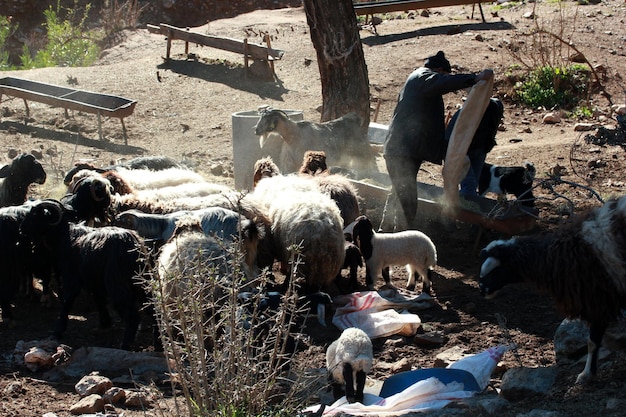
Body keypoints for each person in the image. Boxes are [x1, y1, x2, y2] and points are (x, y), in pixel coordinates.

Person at [382, 50, 493, 229]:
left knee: (400, 191)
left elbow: (424, 125)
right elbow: (443, 83)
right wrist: (475, 78)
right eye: (444, 75)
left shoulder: (416, 81)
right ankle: (402, 237)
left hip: (405, 149)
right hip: (401, 151)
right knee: (408, 199)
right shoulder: (422, 76)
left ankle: (387, 231)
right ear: (439, 70)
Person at [445, 97, 504, 198]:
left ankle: (463, 206)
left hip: (477, 150)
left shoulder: (493, 109)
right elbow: (451, 138)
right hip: (462, 152)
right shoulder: (467, 113)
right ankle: (464, 210)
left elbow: (490, 134)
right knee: (470, 184)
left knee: (471, 183)